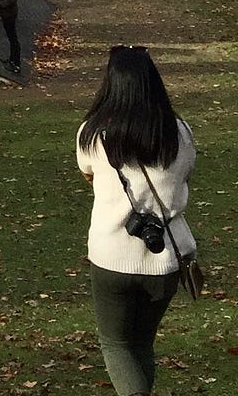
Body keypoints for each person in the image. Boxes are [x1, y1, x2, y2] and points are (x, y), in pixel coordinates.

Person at [77, 46, 197, 396]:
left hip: (112, 255)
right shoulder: (180, 133)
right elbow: (186, 176)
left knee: (116, 344)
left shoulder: (92, 135)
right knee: (142, 343)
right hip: (167, 258)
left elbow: (88, 175)